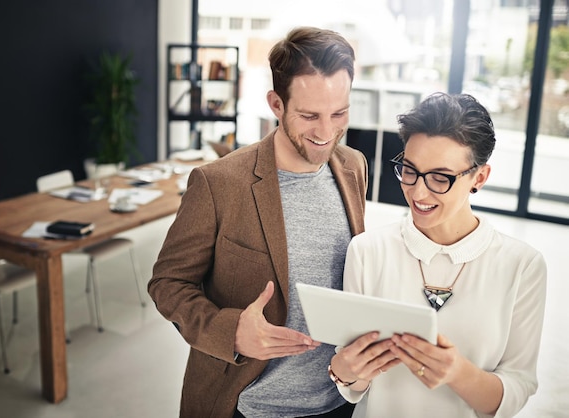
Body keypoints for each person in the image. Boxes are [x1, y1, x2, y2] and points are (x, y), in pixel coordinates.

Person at [148, 27, 370, 418]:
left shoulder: (353, 166)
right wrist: (230, 331)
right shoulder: (218, 184)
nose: (326, 132)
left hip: (339, 401)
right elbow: (168, 284)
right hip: (248, 405)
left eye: (339, 113)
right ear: (276, 104)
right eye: (308, 115)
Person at [327, 92, 547, 417]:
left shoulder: (522, 266)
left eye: (440, 178)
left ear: (480, 178)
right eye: (410, 170)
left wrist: (458, 373)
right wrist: (344, 371)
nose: (418, 192)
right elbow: (355, 388)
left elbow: (516, 390)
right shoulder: (367, 251)